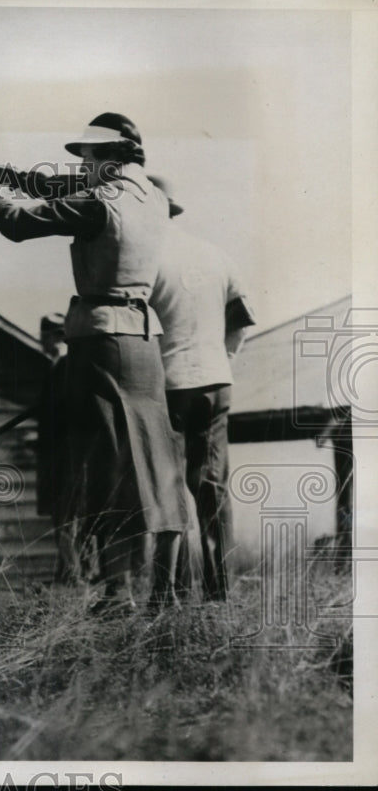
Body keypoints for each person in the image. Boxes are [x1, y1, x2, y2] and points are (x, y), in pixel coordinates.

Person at [0, 112, 191, 613]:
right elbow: (55, 187)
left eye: (86, 158)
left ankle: (117, 591)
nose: (81, 168)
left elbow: (17, 225)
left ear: (107, 158)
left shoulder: (100, 201)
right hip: (143, 341)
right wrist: (11, 176)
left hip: (102, 339)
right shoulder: (149, 196)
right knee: (153, 465)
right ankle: (164, 590)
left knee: (105, 465)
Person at [148, 175, 256, 602]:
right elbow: (241, 319)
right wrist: (222, 358)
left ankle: (170, 591)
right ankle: (218, 590)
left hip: (165, 383)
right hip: (214, 381)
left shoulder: (141, 257)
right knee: (212, 489)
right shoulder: (215, 254)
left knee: (167, 486)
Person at [36, 312, 88, 586]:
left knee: (67, 520)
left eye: (44, 335)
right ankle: (68, 574)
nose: (40, 341)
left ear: (56, 336)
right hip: (57, 457)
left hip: (68, 458)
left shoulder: (67, 367)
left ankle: (74, 576)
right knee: (64, 519)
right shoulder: (56, 367)